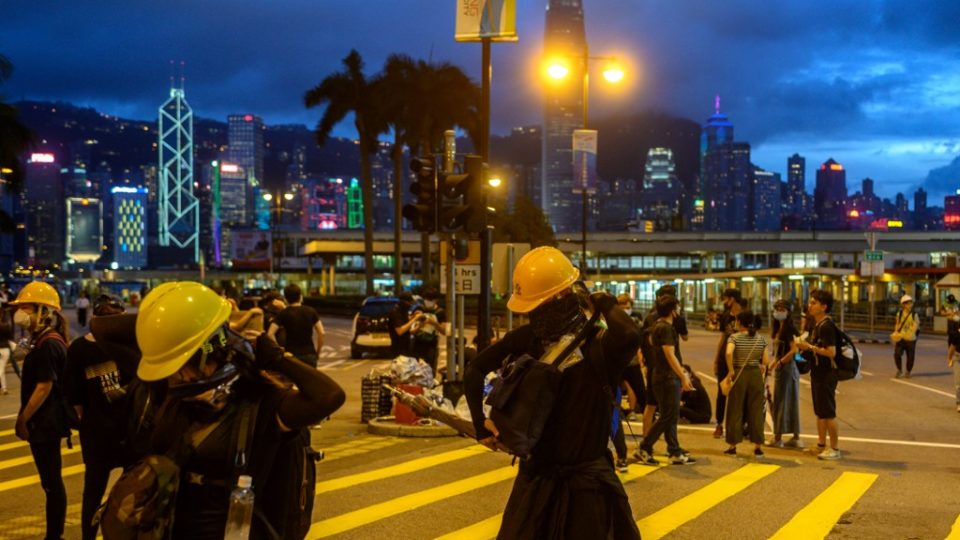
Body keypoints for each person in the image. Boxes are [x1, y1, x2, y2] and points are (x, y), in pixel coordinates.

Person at [132, 281, 345, 538]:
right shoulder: (174, 397)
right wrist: (218, 323)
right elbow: (106, 330)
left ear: (206, 354)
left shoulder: (261, 404)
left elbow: (330, 396)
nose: (173, 377)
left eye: (179, 365)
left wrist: (279, 357)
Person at [464, 246, 642, 539]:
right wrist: (603, 301)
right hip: (584, 485)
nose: (534, 314)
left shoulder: (530, 339)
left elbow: (474, 371)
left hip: (539, 485)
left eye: (536, 305)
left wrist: (478, 424)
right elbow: (630, 334)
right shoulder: (599, 343)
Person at [64, 295, 134, 540]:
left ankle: (88, 536)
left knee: (92, 492)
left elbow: (75, 400)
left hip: (97, 434)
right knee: (135, 491)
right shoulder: (132, 345)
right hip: (130, 432)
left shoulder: (78, 348)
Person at [11, 282, 70, 540]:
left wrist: (23, 418)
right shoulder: (42, 340)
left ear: (43, 311)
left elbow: (44, 386)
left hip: (46, 423)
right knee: (50, 483)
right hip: (44, 423)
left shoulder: (48, 344)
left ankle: (54, 536)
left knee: (52, 484)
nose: (20, 313)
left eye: (25, 307)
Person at [636, 294, 697, 466]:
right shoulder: (666, 329)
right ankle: (645, 447)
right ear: (673, 311)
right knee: (668, 415)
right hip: (667, 377)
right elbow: (670, 355)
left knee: (670, 414)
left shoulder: (657, 326)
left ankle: (674, 451)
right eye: (677, 308)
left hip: (661, 376)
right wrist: (683, 376)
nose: (679, 311)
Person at [796, 289, 841, 460]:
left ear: (824, 306)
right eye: (810, 302)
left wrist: (810, 348)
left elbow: (831, 352)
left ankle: (835, 449)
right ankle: (821, 444)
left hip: (827, 374)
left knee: (829, 412)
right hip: (818, 372)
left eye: (814, 303)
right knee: (820, 411)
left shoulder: (827, 326)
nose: (810, 305)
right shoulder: (817, 324)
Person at [723, 310, 770, 458]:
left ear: (740, 322)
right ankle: (758, 446)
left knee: (735, 409)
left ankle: (733, 445)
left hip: (739, 373)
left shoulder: (734, 337)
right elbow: (766, 360)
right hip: (755, 375)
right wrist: (761, 367)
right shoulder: (760, 339)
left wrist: (731, 370)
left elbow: (729, 353)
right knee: (756, 410)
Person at [769, 300, 803, 448]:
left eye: (783, 309)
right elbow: (778, 353)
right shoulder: (779, 327)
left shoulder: (789, 328)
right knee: (786, 400)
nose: (779, 311)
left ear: (789, 312)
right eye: (777, 308)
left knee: (782, 401)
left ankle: (778, 438)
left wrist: (781, 362)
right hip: (782, 367)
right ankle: (795, 437)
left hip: (788, 369)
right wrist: (772, 364)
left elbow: (794, 350)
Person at [268, 284, 324, 368]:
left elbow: (270, 334)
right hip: (309, 354)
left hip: (291, 356)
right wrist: (318, 353)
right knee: (309, 380)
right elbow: (322, 333)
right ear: (300, 296)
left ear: (286, 299)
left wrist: (280, 349)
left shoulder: (283, 313)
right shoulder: (311, 311)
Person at [713, 288, 743, 438]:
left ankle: (738, 426)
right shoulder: (725, 317)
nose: (724, 302)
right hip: (724, 359)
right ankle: (719, 424)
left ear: (732, 299)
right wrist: (716, 360)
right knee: (722, 392)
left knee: (739, 394)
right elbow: (722, 338)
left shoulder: (746, 316)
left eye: (726, 299)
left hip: (740, 360)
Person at [410, 289, 446, 376]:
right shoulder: (419, 309)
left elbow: (444, 331)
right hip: (417, 343)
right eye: (426, 299)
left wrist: (433, 322)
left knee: (430, 369)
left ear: (435, 300)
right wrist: (417, 320)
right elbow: (411, 328)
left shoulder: (440, 312)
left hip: (431, 344)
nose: (428, 302)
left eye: (430, 300)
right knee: (416, 370)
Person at [892, 294, 919, 378]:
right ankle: (899, 370)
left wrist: (911, 333)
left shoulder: (914, 315)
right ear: (903, 304)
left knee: (910, 356)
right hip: (901, 338)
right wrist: (896, 332)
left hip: (911, 339)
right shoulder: (899, 314)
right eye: (908, 303)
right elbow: (897, 324)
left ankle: (908, 371)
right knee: (897, 354)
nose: (910, 305)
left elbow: (916, 326)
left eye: (911, 303)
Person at [388, 292, 420, 358]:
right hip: (398, 349)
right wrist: (415, 318)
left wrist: (414, 317)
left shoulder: (403, 311)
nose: (410, 305)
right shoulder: (395, 312)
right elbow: (400, 331)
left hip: (406, 348)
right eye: (409, 302)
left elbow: (407, 328)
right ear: (403, 302)